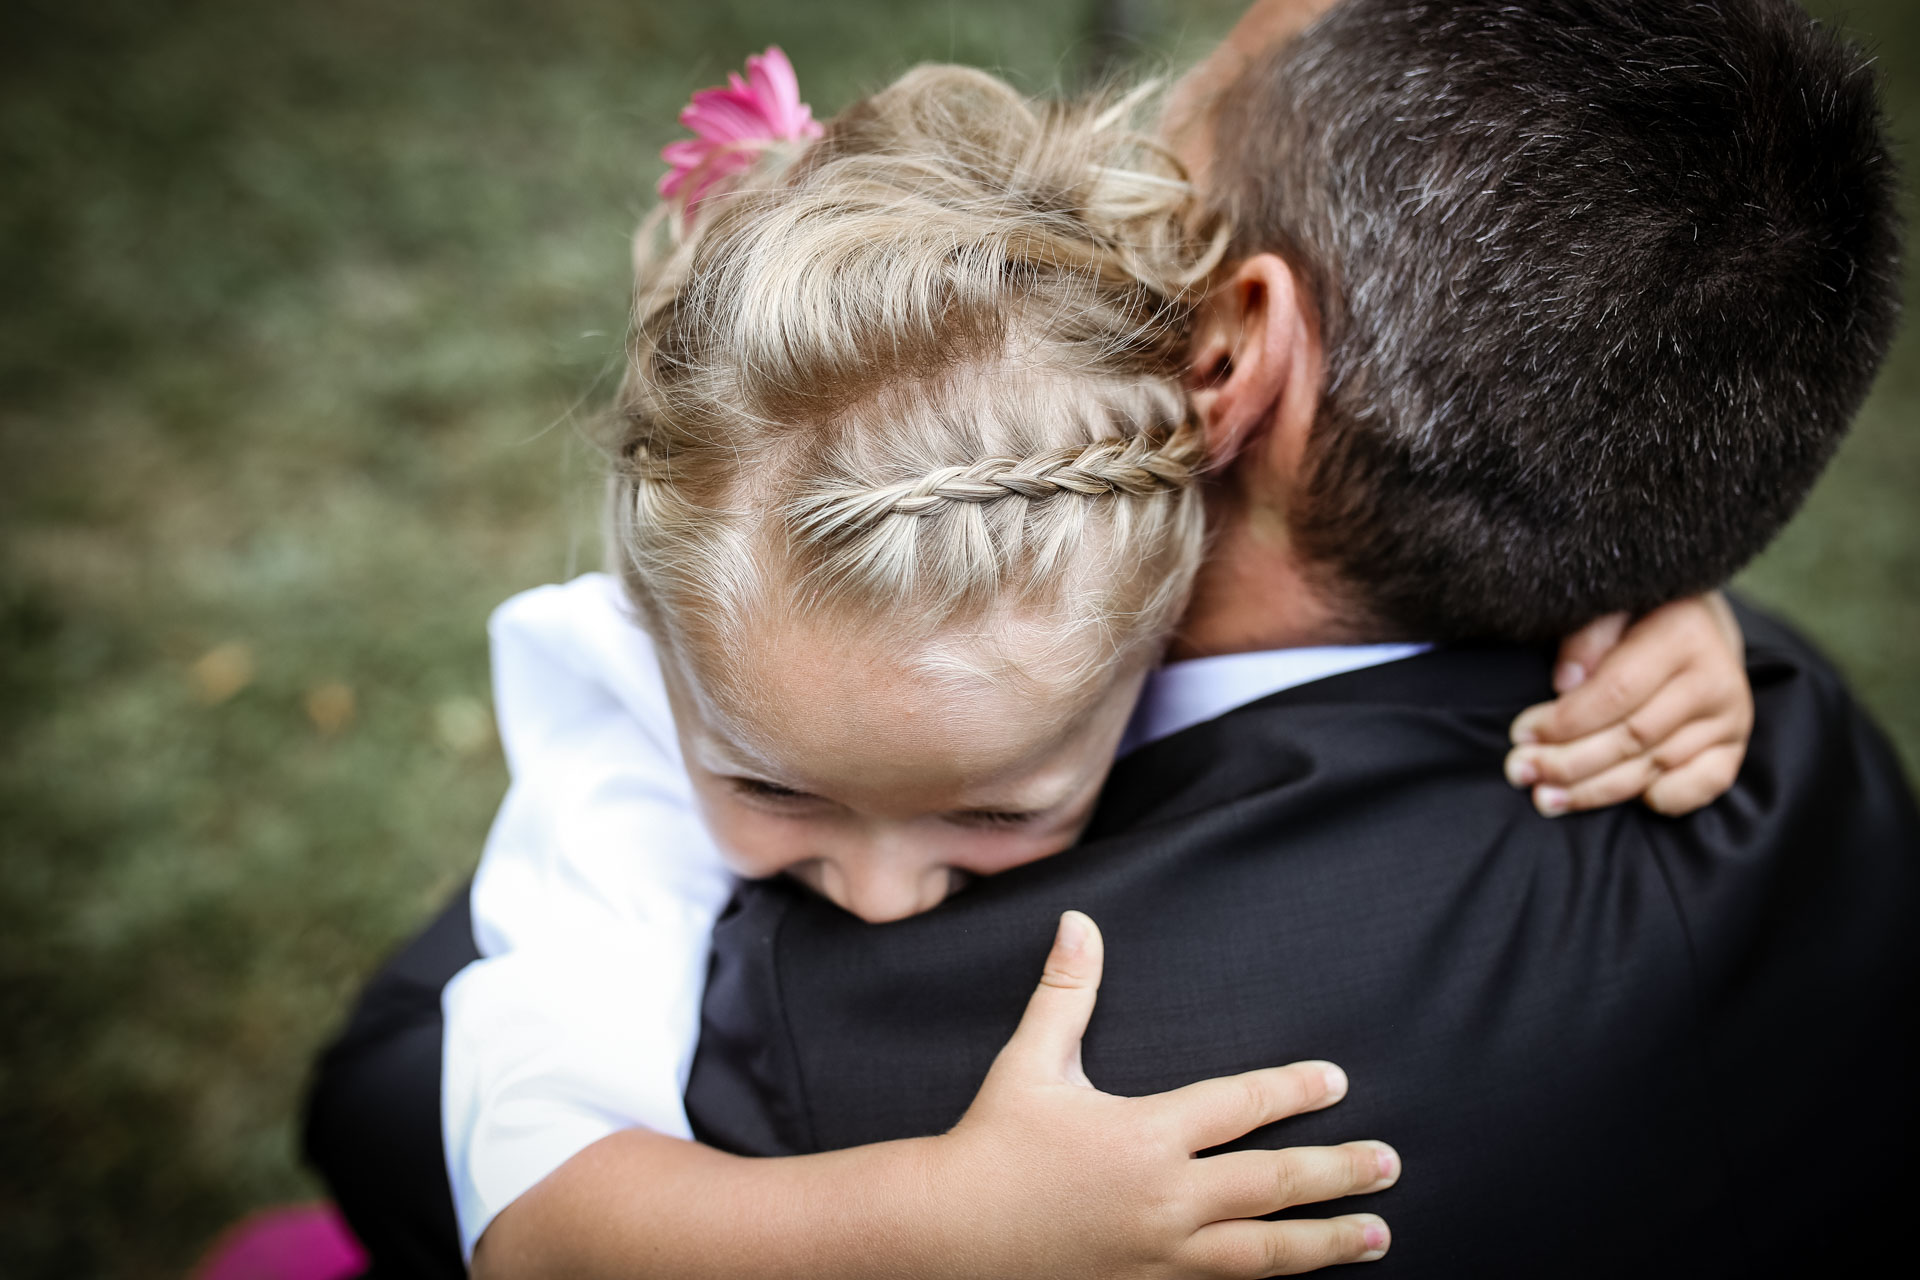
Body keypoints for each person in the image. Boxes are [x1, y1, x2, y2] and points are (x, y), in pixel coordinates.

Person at [301, 32, 1763, 1280]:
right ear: (662, 648)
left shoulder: (1092, 570)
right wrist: (947, 1221)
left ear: (1173, 612)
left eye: (994, 809)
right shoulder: (619, 776)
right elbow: (536, 1223)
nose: (882, 895)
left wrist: (1651, 615)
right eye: (775, 790)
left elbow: (1463, 546)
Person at [666, 0, 1914, 1275]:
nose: (1131, 148)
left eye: (1185, 125)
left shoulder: (879, 1073)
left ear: (1231, 355)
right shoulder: (1807, 736)